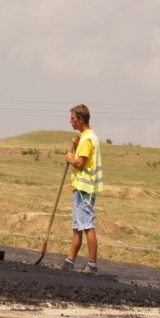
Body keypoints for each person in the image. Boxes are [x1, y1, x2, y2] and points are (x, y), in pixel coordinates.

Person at [62, 103, 103, 274]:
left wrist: (70, 158)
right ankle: (69, 262)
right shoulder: (86, 138)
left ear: (80, 119)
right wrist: (77, 143)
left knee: (86, 225)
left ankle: (92, 265)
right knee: (77, 227)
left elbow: (80, 163)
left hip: (84, 190)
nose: (70, 122)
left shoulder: (88, 139)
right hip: (80, 189)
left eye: (72, 119)